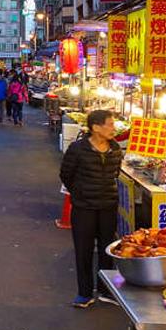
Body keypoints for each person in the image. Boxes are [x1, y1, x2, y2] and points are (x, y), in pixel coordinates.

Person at [59, 109, 123, 308]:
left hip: (108, 207)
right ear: (96, 128)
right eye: (110, 124)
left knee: (107, 250)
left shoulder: (116, 150)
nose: (114, 129)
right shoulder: (78, 149)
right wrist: (80, 194)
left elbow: (116, 173)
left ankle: (105, 290)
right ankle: (84, 293)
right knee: (83, 250)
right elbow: (66, 174)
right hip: (84, 208)